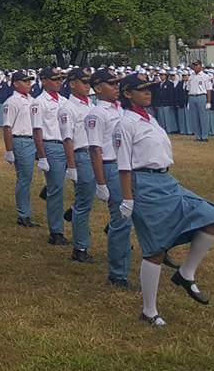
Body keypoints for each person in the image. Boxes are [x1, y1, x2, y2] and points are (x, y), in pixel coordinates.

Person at [117, 74, 214, 327]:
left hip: (166, 181)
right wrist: (128, 199)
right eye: (141, 90)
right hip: (144, 185)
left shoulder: (150, 118)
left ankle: (185, 273)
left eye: (150, 89)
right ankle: (149, 310)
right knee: (155, 249)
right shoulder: (126, 123)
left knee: (212, 217)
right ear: (127, 94)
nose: (148, 93)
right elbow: (124, 165)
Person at [84, 69, 132, 287]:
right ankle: (118, 274)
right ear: (97, 88)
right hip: (112, 168)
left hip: (128, 166)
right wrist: (101, 183)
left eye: (117, 83)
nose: (116, 87)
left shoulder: (120, 108)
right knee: (122, 219)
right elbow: (95, 150)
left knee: (129, 217)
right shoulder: (97, 114)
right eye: (111, 84)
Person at [59, 69, 96, 263]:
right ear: (72, 83)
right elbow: (67, 138)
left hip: (95, 154)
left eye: (89, 82)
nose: (88, 85)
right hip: (81, 156)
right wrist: (71, 166)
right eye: (84, 82)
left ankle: (71, 214)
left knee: (88, 199)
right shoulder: (68, 108)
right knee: (84, 203)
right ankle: (80, 247)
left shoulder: (91, 104)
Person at [32, 68, 70, 245]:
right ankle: (56, 231)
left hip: (66, 145)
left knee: (80, 185)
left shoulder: (64, 100)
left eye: (60, 79)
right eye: (55, 79)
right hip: (51, 145)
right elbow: (37, 130)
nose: (59, 82)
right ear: (44, 81)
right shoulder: (39, 103)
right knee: (56, 190)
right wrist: (42, 156)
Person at [2, 71, 39, 228]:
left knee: (31, 177)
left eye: (30, 81)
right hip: (21, 140)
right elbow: (7, 127)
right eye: (25, 81)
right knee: (25, 179)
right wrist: (9, 150)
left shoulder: (33, 100)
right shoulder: (12, 102)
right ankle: (23, 214)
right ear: (16, 83)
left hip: (34, 139)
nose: (29, 84)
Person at [184, 60, 212, 142]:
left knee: (203, 118)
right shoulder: (191, 77)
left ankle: (204, 136)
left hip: (201, 96)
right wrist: (188, 101)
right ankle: (198, 136)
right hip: (192, 97)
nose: (194, 66)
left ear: (200, 66)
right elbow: (188, 89)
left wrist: (208, 102)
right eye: (194, 65)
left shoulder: (205, 76)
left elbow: (209, 89)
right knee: (194, 118)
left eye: (196, 65)